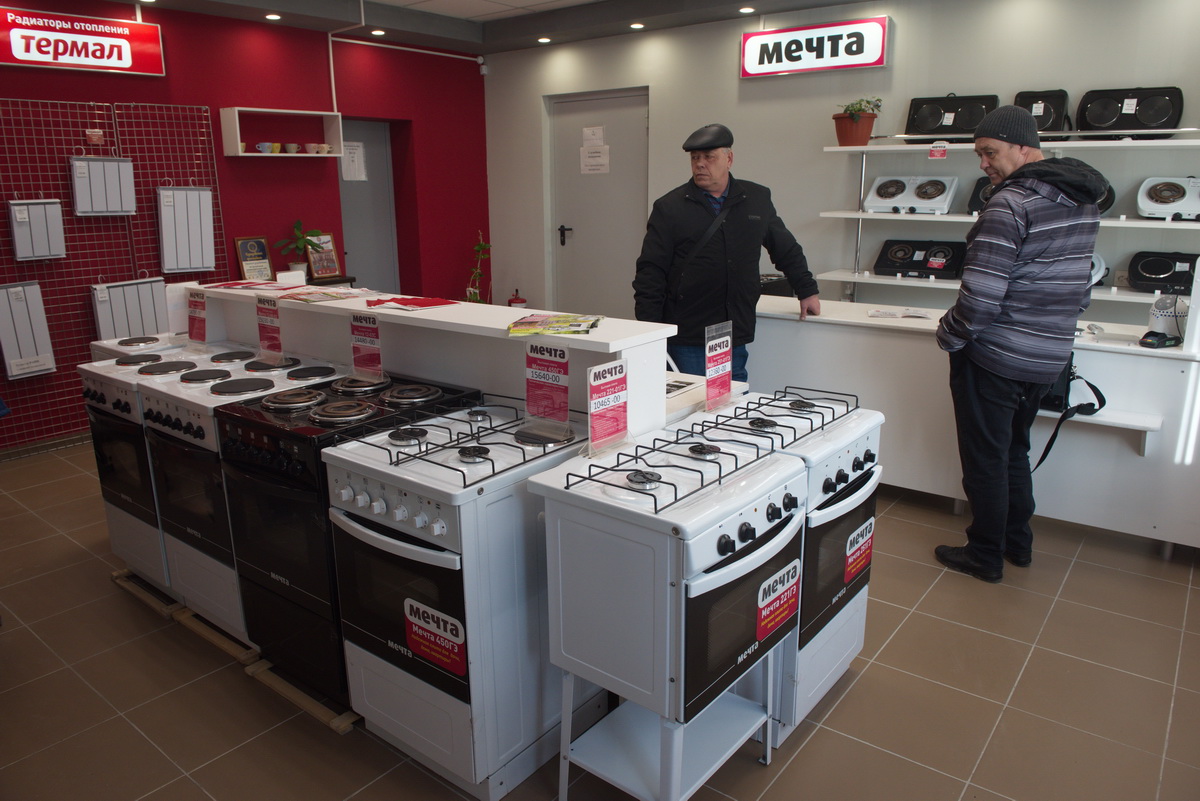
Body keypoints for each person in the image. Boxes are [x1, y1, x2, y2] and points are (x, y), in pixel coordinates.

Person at [934, 105, 1109, 583]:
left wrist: (948, 335)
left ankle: (984, 555)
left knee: (986, 459)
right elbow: (1081, 284)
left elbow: (981, 299)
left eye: (990, 152)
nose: (983, 164)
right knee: (1014, 451)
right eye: (979, 154)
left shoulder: (1010, 204)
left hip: (996, 356)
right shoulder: (1083, 202)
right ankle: (1017, 544)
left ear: (1024, 147)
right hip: (1048, 356)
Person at [633, 123, 820, 383]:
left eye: (709, 157)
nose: (700, 164)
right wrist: (649, 330)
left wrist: (806, 289)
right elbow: (650, 271)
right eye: (695, 158)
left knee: (734, 398)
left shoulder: (756, 198)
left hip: (734, 328)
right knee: (693, 401)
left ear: (729, 159)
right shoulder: (670, 207)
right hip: (688, 331)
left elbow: (785, 248)